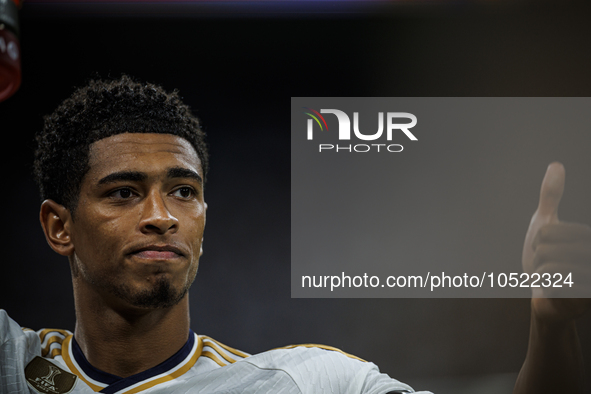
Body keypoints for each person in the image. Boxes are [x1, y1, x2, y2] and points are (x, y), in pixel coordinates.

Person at [0, 75, 588, 394]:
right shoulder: (15, 366)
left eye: (183, 191)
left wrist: (549, 327)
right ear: (59, 227)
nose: (162, 215)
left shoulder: (309, 382)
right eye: (124, 193)